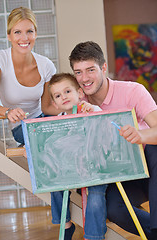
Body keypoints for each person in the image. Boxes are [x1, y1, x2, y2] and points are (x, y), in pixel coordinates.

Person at [68, 41, 157, 240]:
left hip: (150, 167)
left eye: (90, 70)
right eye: (78, 72)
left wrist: (141, 135)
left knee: (155, 149)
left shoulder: (133, 91)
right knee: (114, 208)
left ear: (103, 67)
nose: (84, 78)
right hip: (123, 175)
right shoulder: (77, 104)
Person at [48, 72, 106, 240]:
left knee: (95, 195)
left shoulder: (92, 109)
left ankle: (94, 236)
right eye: (58, 96)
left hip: (96, 169)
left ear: (80, 93)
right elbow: (52, 145)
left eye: (67, 92)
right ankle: (65, 224)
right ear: (55, 104)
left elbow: (107, 126)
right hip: (71, 168)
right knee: (54, 182)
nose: (64, 97)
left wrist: (93, 114)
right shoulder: (58, 120)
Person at [0, 6, 58, 146]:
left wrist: (69, 107)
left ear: (35, 33)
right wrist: (7, 112)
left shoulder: (46, 65)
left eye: (29, 31)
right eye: (17, 32)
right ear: (9, 36)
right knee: (50, 142)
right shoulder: (1, 60)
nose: (24, 38)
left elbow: (47, 108)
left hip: (43, 120)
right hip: (21, 127)